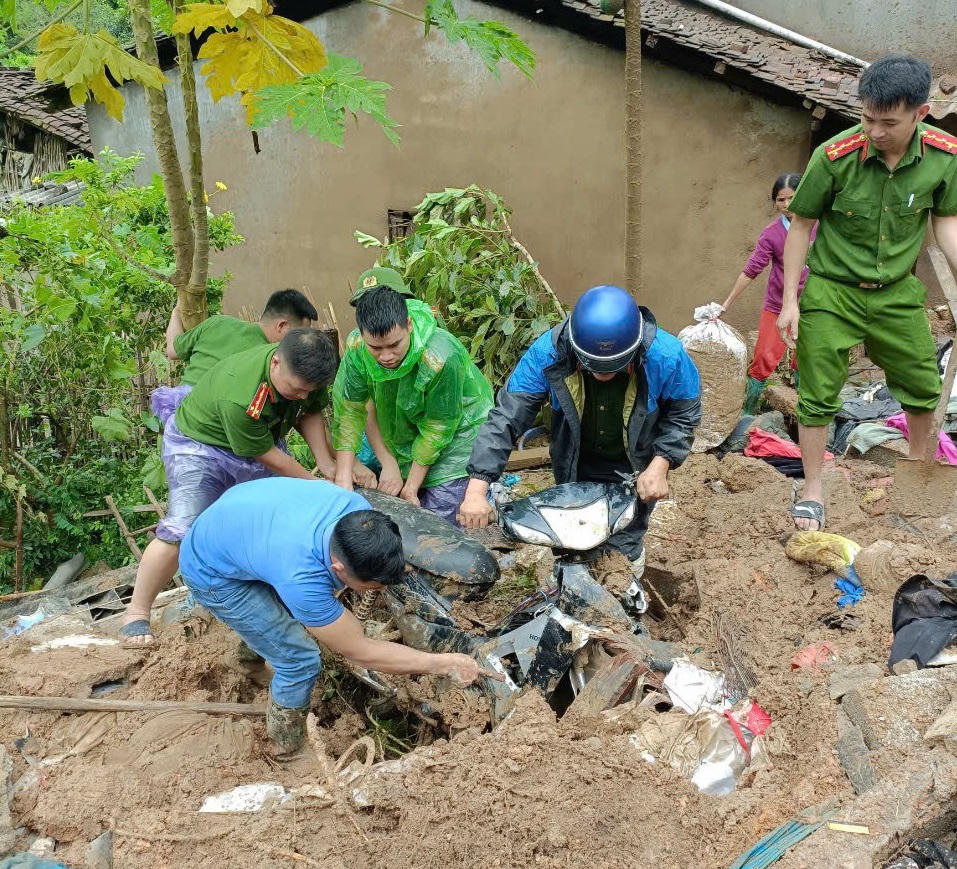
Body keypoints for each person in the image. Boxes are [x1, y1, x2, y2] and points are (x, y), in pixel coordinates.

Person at [178, 477, 488, 755]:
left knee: (281, 618)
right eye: (373, 585)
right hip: (212, 570)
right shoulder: (301, 579)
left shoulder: (358, 513)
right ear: (339, 568)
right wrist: (443, 662)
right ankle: (285, 746)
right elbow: (359, 651)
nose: (378, 590)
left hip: (245, 525)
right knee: (300, 660)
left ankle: (251, 657)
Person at [777, 55, 957, 531]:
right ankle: (813, 489)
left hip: (897, 294)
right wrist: (791, 301)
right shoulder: (833, 157)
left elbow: (946, 223)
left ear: (921, 113)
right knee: (816, 394)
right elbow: (801, 225)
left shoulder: (945, 156)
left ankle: (918, 470)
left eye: (888, 122)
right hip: (833, 292)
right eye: (867, 118)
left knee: (923, 384)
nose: (874, 131)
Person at [121, 329, 373, 647]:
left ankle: (270, 604)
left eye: (309, 390)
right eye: (295, 389)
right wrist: (321, 489)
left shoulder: (306, 376)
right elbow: (270, 458)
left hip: (258, 439)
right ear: (277, 362)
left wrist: (325, 462)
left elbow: (308, 412)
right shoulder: (241, 395)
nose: (301, 394)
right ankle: (136, 613)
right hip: (201, 446)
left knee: (277, 523)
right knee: (183, 528)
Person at [458, 285, 701, 611]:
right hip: (575, 458)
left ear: (634, 349)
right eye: (591, 366)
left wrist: (660, 464)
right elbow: (506, 418)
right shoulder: (548, 353)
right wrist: (477, 488)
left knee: (624, 547)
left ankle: (627, 609)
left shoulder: (666, 357)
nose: (601, 375)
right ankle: (578, 604)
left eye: (613, 367)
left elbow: (684, 415)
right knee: (573, 537)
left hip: (635, 465)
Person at [332, 281, 494, 525]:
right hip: (404, 425)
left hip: (457, 433)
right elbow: (350, 411)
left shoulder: (439, 357)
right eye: (375, 347)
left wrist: (411, 488)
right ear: (362, 334)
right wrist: (344, 479)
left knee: (437, 521)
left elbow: (437, 427)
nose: (385, 356)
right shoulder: (357, 349)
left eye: (394, 345)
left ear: (408, 325)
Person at [719, 173, 818, 414]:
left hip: (814, 304)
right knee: (764, 357)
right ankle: (748, 413)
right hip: (778, 305)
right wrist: (726, 304)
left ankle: (805, 412)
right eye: (781, 200)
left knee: (807, 359)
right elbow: (751, 270)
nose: (787, 206)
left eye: (792, 198)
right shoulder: (772, 234)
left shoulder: (819, 225)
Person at [152, 289, 318, 424]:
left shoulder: (217, 323)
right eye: (300, 335)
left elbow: (172, 350)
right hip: (218, 423)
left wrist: (175, 314)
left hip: (177, 417)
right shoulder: (274, 359)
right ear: (281, 326)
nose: (302, 342)